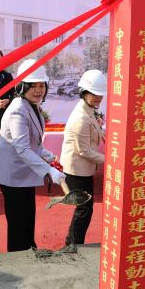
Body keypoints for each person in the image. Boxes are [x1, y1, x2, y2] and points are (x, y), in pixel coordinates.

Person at [0, 59, 65, 252]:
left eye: (41, 85)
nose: (38, 90)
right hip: (13, 176)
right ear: (22, 86)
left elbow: (33, 143)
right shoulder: (18, 110)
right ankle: (18, 255)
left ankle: (28, 247)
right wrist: (49, 170)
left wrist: (47, 154)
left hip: (22, 174)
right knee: (18, 221)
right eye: (33, 86)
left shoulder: (31, 105)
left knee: (27, 216)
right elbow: (22, 148)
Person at [60, 69, 106, 246]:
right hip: (76, 169)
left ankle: (73, 242)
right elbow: (84, 151)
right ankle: (73, 244)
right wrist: (110, 161)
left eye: (100, 94)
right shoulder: (81, 116)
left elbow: (96, 129)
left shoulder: (88, 109)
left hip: (82, 167)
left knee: (84, 208)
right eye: (94, 93)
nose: (98, 97)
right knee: (84, 208)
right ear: (84, 92)